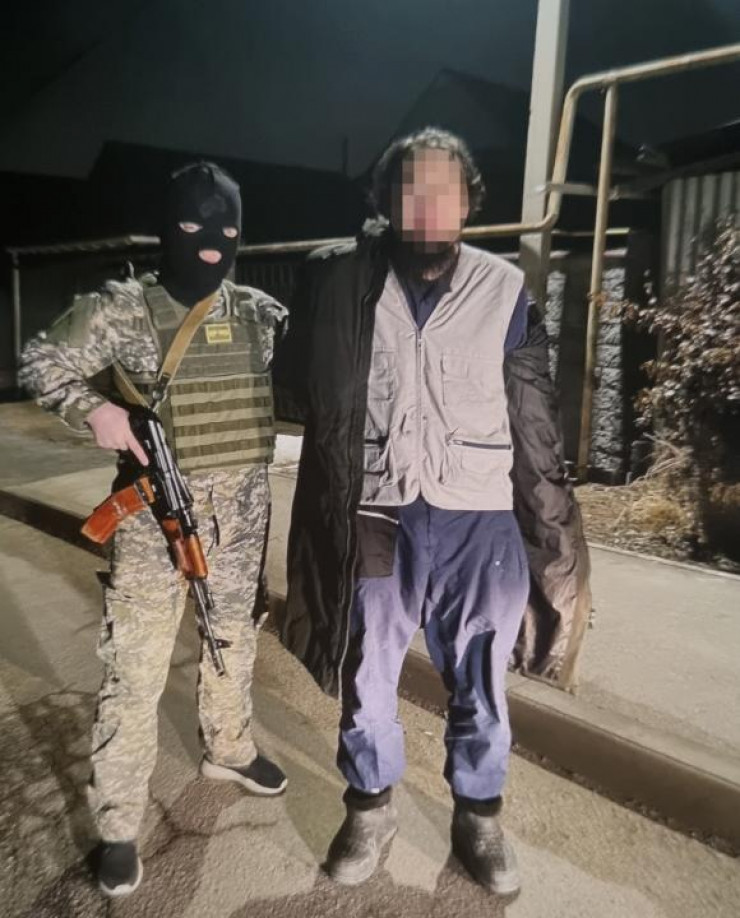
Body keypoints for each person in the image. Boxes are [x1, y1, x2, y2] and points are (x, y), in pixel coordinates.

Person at [274, 128, 591, 896]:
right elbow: (294, 386)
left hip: (479, 517)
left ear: (468, 203)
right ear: (386, 201)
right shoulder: (346, 285)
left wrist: (552, 535)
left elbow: (535, 422)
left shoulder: (504, 289)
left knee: (481, 675)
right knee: (367, 670)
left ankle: (478, 817)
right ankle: (370, 807)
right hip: (376, 510)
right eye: (410, 190)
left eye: (444, 190)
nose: (428, 205)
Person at [20, 162, 288, 898]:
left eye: (227, 227)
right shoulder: (123, 309)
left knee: (233, 642)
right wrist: (96, 411)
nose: (212, 241)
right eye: (194, 225)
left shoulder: (259, 313)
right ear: (168, 226)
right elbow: (42, 359)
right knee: (135, 671)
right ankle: (118, 820)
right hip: (150, 520)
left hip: (240, 519)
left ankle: (228, 748)